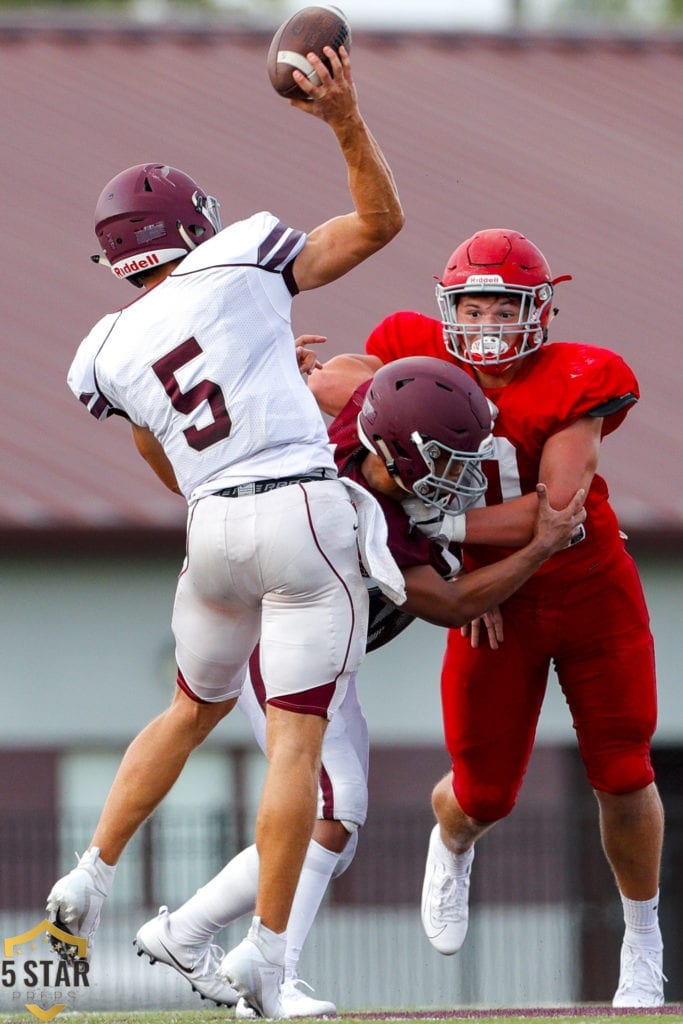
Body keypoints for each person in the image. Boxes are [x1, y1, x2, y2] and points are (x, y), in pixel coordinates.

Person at [47, 42, 406, 1021]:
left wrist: (254, 387)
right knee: (296, 751)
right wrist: (341, 118)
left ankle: (91, 869)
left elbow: (163, 450)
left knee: (185, 709)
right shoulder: (242, 249)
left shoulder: (106, 348)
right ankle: (269, 963)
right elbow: (381, 223)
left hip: (210, 529)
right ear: (190, 224)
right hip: (297, 509)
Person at [132, 354, 585, 1018]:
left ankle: (186, 933)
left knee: (334, 834)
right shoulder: (366, 511)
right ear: (396, 454)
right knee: (333, 811)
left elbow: (359, 375)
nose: (460, 478)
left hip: (319, 650)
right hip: (279, 645)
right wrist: (536, 547)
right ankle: (269, 971)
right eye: (446, 460)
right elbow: (450, 603)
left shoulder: (365, 422)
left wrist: (284, 366)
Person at [355, 228, 666, 1008]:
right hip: (499, 607)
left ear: (539, 310)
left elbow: (556, 511)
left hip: (591, 589)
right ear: (448, 306)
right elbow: (359, 415)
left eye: (503, 306)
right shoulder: (409, 348)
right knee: (485, 794)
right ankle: (452, 839)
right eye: (474, 305)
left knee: (624, 770)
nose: (488, 322)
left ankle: (642, 939)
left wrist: (445, 537)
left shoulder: (579, 376)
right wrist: (301, 374)